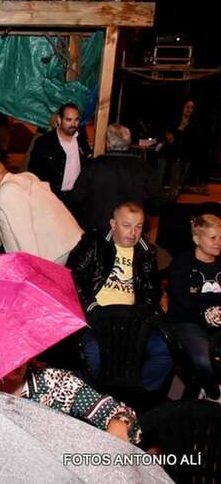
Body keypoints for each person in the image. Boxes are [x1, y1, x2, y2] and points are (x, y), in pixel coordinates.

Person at [67, 201, 172, 392]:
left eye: (138, 226)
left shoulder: (145, 250)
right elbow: (73, 278)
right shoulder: (94, 243)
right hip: (95, 316)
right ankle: (87, 398)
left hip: (132, 319)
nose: (133, 233)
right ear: (113, 224)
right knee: (92, 355)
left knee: (164, 351)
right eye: (126, 225)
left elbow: (152, 290)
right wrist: (91, 307)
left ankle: (137, 395)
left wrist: (142, 314)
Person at [0, 361, 140, 443]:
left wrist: (119, 424)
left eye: (20, 350)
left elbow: (120, 414)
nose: (17, 361)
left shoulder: (55, 383)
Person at [0, 159, 82, 265]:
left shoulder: (6, 192)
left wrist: (33, 266)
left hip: (54, 253)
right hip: (68, 241)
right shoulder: (27, 177)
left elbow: (24, 234)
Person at [68, 123, 163, 233]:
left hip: (98, 229)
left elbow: (76, 198)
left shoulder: (93, 166)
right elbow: (158, 199)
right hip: (131, 230)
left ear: (107, 143)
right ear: (129, 143)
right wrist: (143, 214)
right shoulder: (142, 167)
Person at [168, 214, 221, 400]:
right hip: (188, 322)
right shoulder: (182, 264)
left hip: (217, 324)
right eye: (213, 238)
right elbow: (184, 302)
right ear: (197, 239)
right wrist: (208, 311)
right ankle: (214, 395)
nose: (219, 242)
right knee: (203, 359)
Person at [28, 103, 92, 197]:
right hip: (52, 196)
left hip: (77, 197)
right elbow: (33, 173)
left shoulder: (81, 140)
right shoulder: (44, 143)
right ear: (59, 119)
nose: (73, 124)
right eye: (68, 120)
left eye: (76, 120)